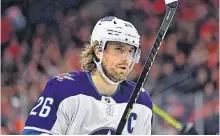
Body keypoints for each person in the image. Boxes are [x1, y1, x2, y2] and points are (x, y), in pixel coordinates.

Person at [22, 16, 153, 135]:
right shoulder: (62, 89)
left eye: (131, 51)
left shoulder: (141, 100)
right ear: (98, 51)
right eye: (119, 49)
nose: (126, 58)